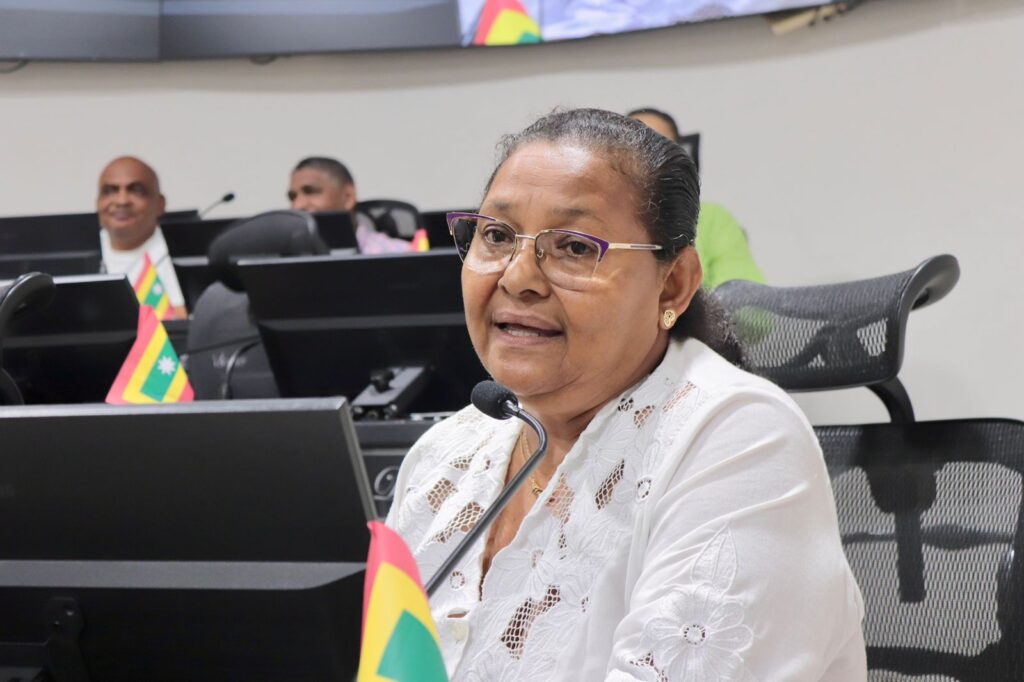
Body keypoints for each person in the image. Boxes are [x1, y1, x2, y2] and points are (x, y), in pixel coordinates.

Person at [386, 109, 865, 680]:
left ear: (673, 285)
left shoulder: (740, 439)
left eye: (574, 247)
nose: (517, 278)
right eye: (496, 235)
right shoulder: (447, 452)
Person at [628, 107, 765, 289]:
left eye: (658, 149)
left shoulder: (714, 219)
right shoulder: (598, 217)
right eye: (632, 148)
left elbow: (743, 296)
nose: (644, 160)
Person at [96, 156, 187, 319]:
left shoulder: (185, 253)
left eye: (135, 190)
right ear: (97, 202)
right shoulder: (77, 256)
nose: (122, 201)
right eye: (110, 191)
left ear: (160, 204)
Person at [286, 156, 414, 254]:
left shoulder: (400, 255)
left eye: (310, 191)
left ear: (348, 197)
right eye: (292, 197)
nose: (297, 205)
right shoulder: (287, 260)